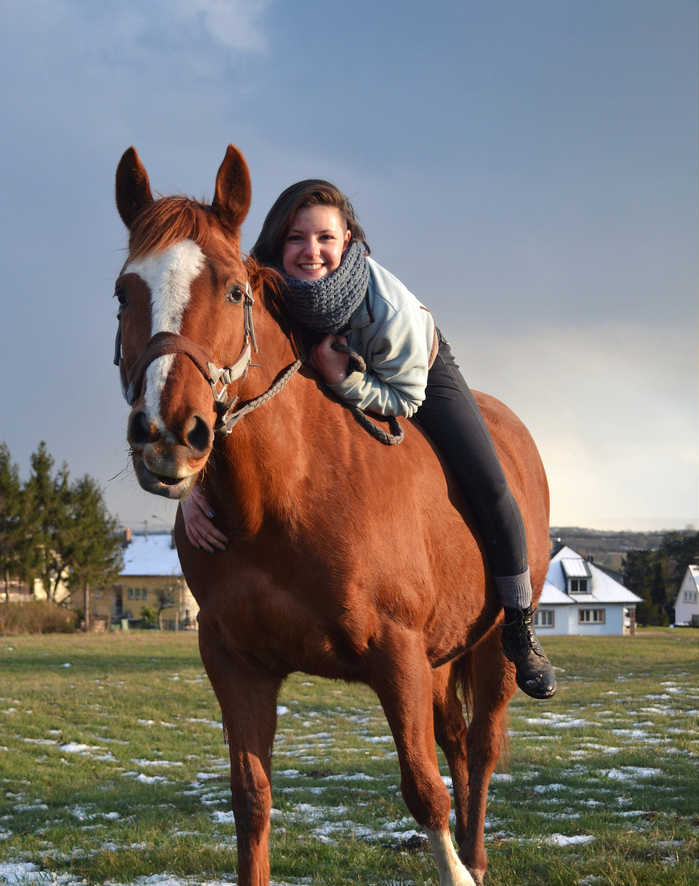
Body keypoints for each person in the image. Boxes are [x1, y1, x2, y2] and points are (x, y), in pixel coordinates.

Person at [181, 181, 556, 699]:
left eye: (325, 237)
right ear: (276, 242)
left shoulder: (389, 310)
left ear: (348, 240)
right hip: (325, 367)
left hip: (410, 373)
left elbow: (403, 398)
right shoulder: (256, 288)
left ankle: (519, 625)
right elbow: (230, 394)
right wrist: (192, 489)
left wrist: (340, 379)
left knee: (491, 482)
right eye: (296, 237)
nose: (311, 251)